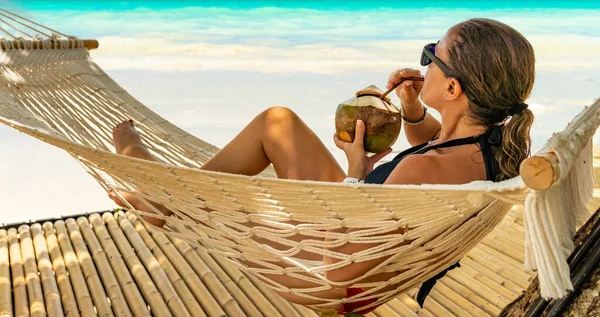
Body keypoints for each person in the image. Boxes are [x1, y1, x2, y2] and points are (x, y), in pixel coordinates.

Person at [109, 18, 535, 314]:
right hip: (370, 243)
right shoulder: (485, 147)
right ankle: (168, 196)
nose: (423, 63)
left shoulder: (422, 172)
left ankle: (165, 197)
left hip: (327, 271)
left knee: (244, 178)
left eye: (431, 56)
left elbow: (336, 258)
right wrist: (411, 108)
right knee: (278, 123)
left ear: (454, 87)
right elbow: (437, 144)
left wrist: (355, 170)